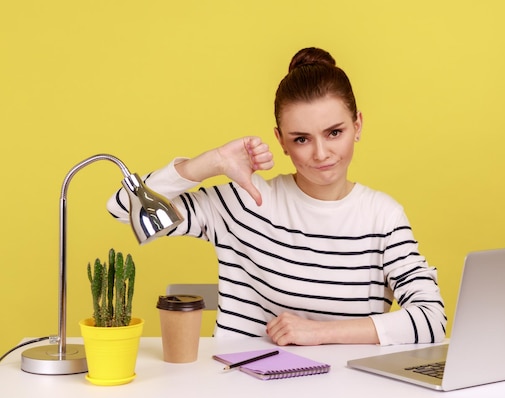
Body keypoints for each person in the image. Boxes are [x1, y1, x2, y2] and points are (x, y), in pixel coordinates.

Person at [107, 47, 446, 346]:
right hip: (243, 390)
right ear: (280, 140)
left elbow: (432, 320)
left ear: (357, 125)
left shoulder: (383, 216)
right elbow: (124, 209)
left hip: (348, 395)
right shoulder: (247, 201)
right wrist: (211, 162)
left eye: (334, 132)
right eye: (301, 139)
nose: (321, 153)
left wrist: (319, 333)